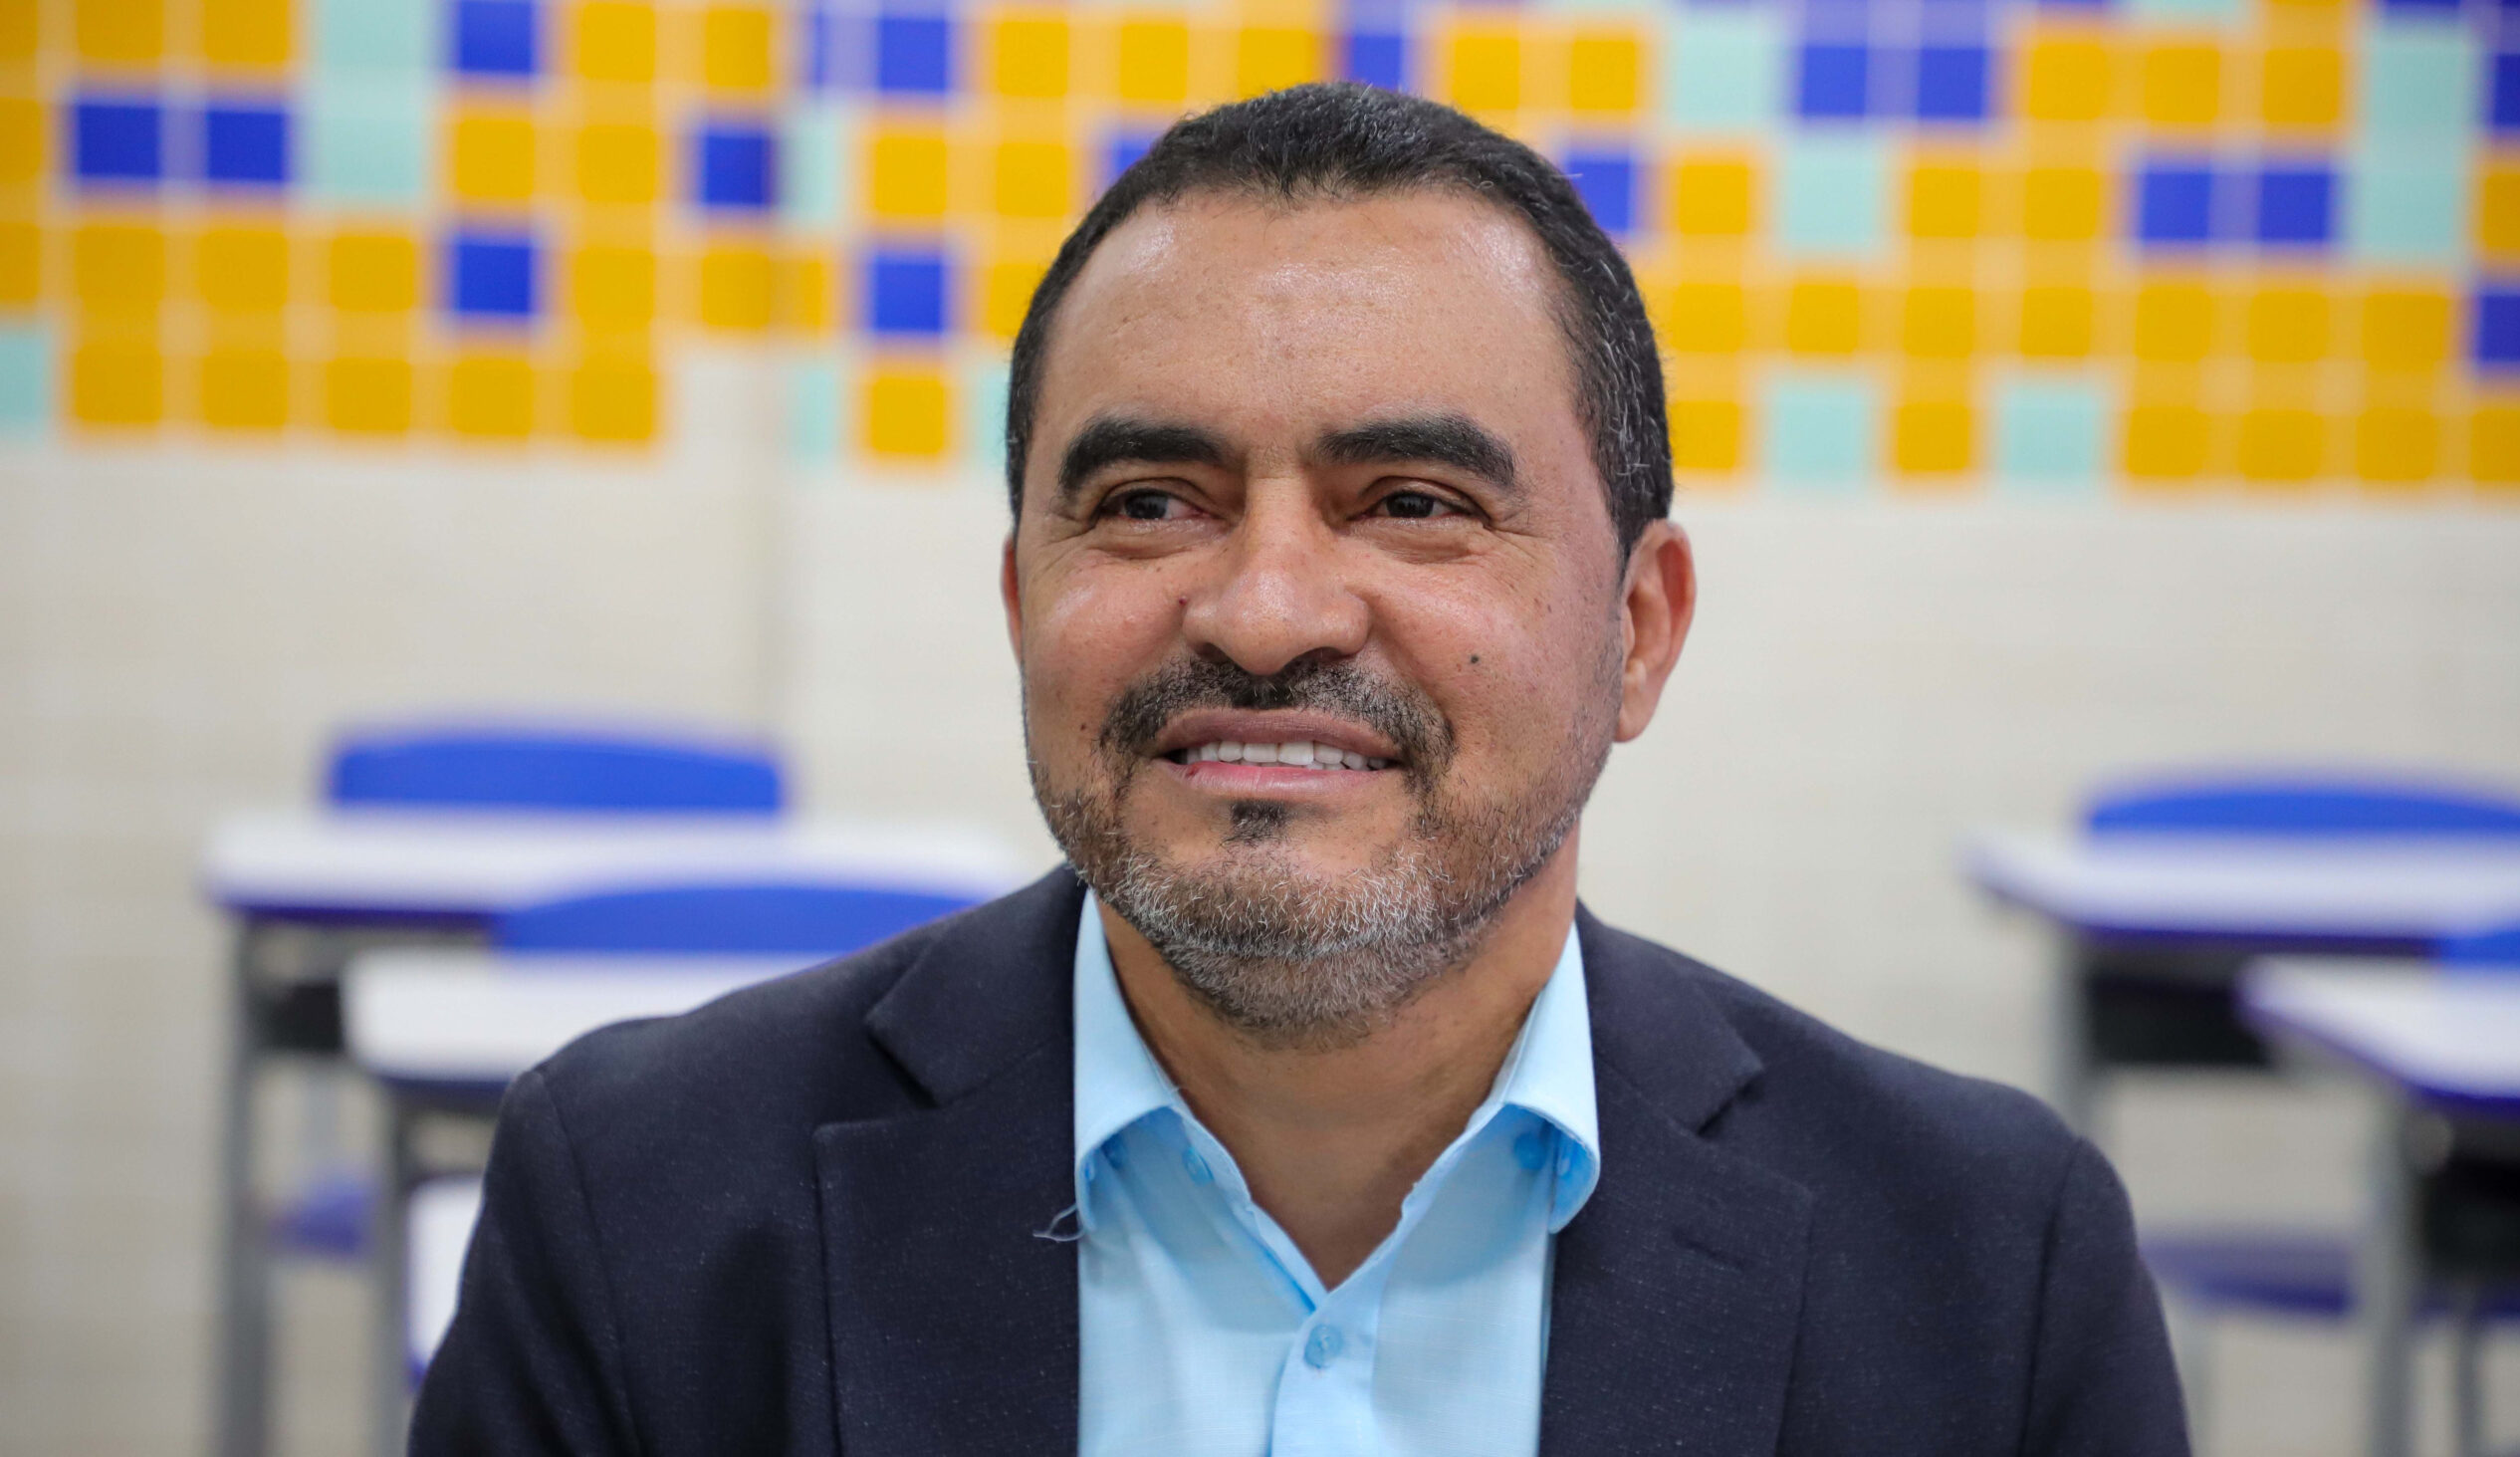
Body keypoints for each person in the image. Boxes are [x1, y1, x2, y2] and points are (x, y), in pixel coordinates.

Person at [414, 83, 2187, 1455]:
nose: (1264, 612)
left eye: (1412, 502)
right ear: (1024, 606)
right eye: (1149, 503)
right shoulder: (639, 1206)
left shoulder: (1987, 1272)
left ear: (1640, 630)